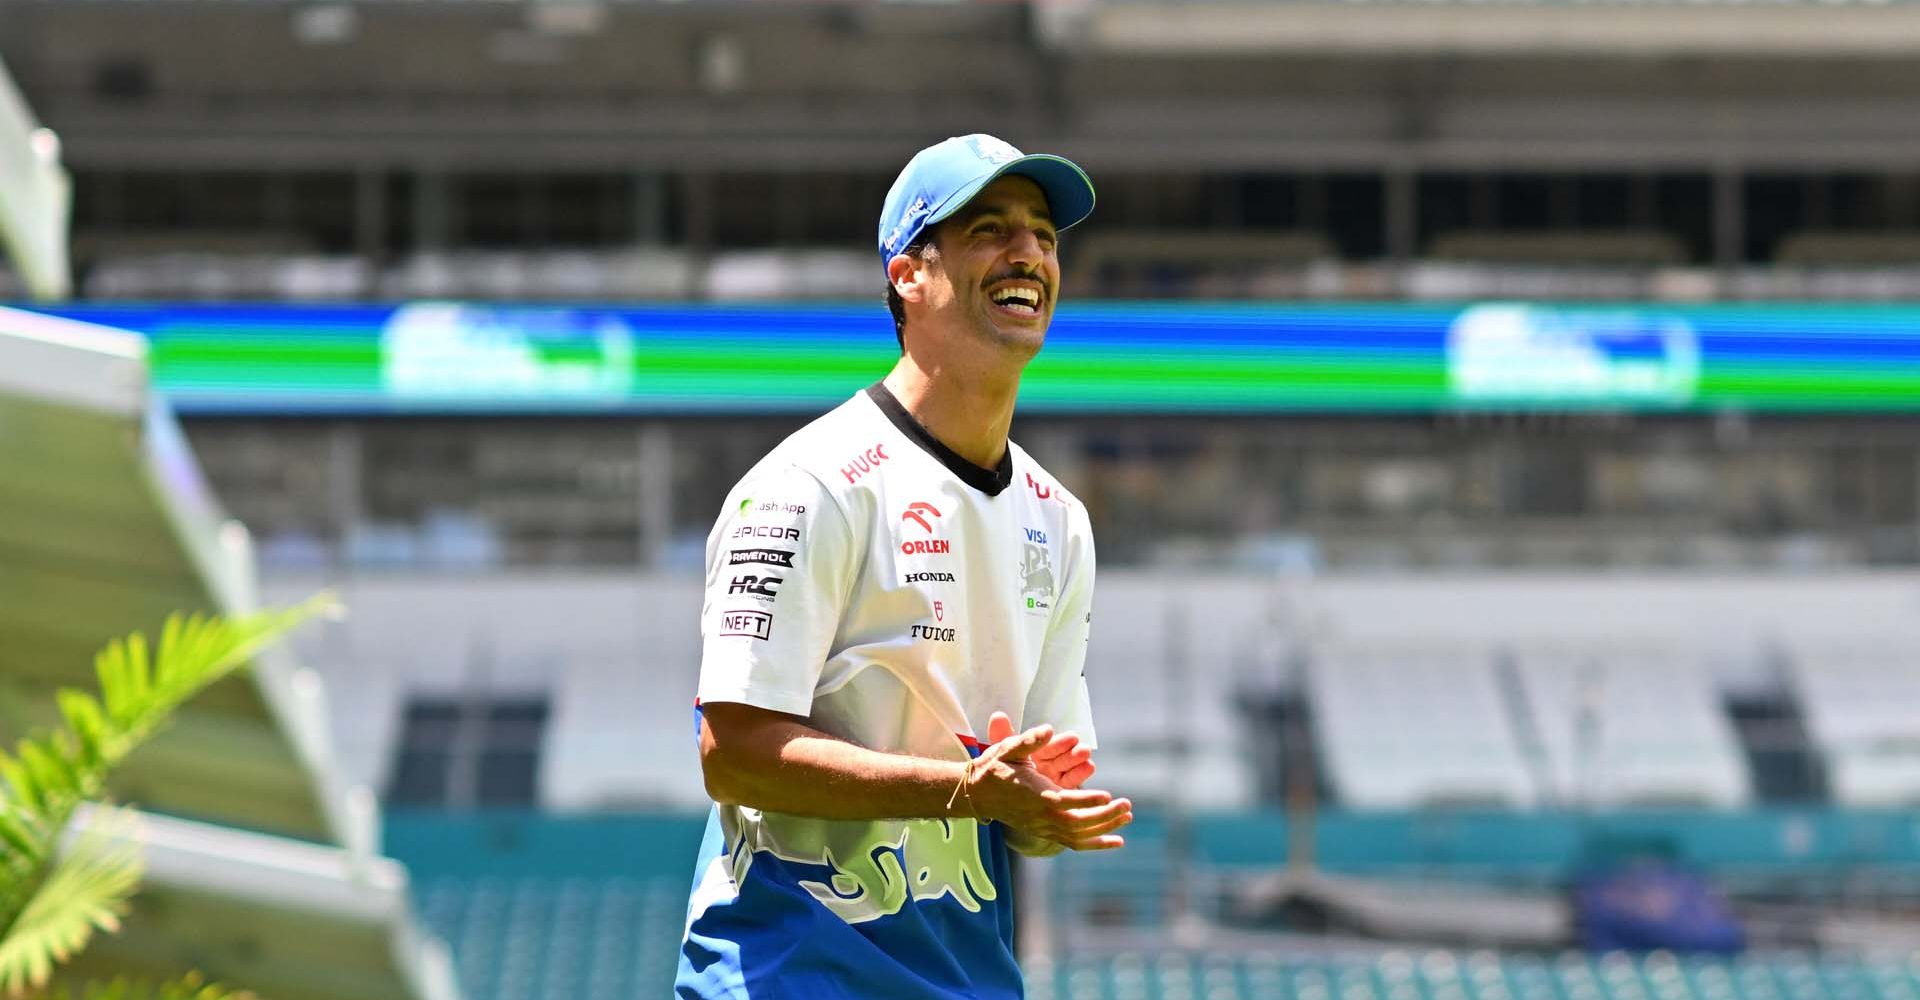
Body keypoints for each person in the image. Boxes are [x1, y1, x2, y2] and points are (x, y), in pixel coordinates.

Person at [675, 133, 1132, 1000]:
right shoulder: (809, 486)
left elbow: (1019, 808)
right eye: (989, 229)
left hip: (967, 982)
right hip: (788, 979)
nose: (1028, 250)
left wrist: (1041, 808)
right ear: (908, 274)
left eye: (1043, 233)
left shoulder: (1060, 524)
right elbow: (730, 754)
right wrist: (966, 790)